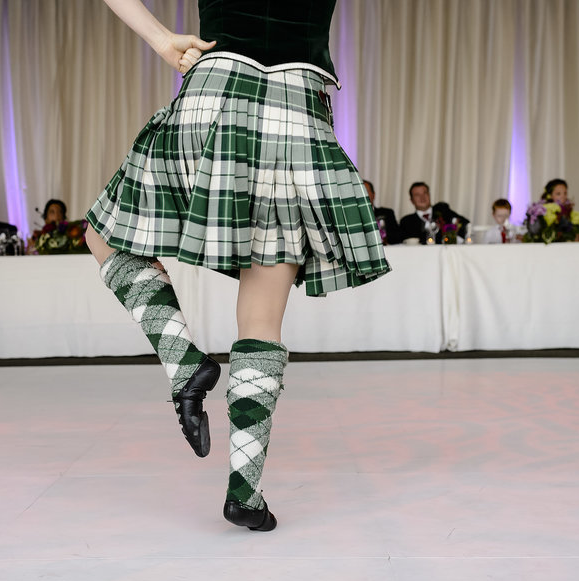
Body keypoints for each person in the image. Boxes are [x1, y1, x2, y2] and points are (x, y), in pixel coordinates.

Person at [86, 0, 389, 532]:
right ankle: (244, 492)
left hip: (214, 90)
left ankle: (184, 363)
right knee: (263, 316)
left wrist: (161, 39)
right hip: (298, 108)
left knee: (104, 235)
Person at [390, 181, 467, 244]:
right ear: (412, 200)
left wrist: (455, 237)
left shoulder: (443, 211)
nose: (422, 197)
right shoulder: (406, 221)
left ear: (429, 195)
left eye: (425, 193)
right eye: (417, 195)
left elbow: (465, 224)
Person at [363, 180, 398, 245]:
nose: (362, 196)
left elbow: (397, 237)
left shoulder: (387, 213)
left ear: (373, 195)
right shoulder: (350, 218)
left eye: (365, 191)